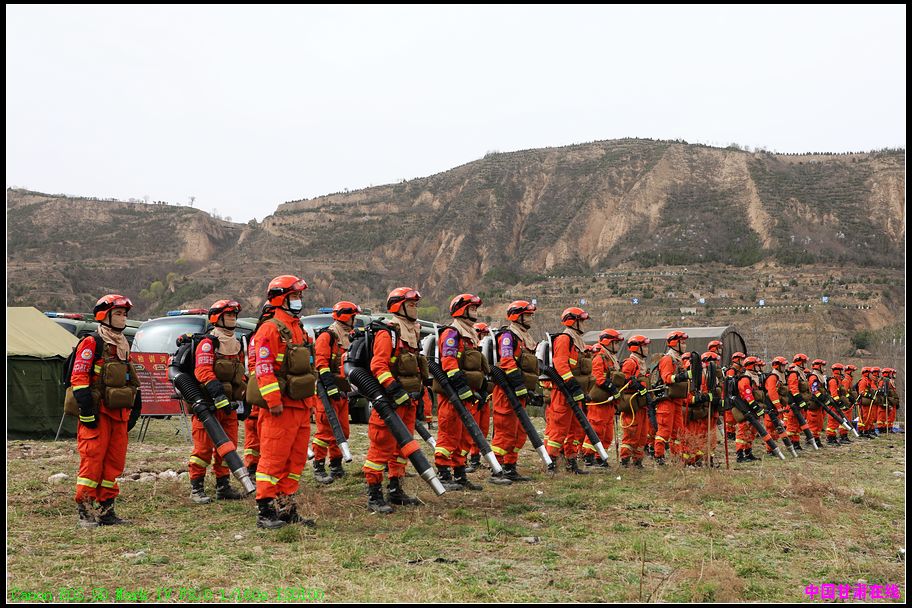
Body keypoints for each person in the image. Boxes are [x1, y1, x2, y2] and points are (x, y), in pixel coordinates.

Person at [251, 275, 316, 529]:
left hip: (300, 405)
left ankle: (287, 508)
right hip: (281, 408)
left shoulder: (298, 328)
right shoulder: (270, 329)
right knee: (273, 459)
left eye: (299, 296)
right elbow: (263, 367)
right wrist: (273, 400)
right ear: (281, 299)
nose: (299, 300)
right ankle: (265, 510)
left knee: (295, 460)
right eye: (295, 296)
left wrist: (310, 402)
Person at [72, 294, 141, 527]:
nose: (123, 318)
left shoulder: (122, 344)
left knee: (114, 464)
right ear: (105, 316)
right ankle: (85, 510)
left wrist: (134, 407)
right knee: (92, 461)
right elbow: (79, 377)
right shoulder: (92, 343)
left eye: (124, 314)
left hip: (118, 414)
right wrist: (86, 410)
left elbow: (129, 377)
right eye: (118, 313)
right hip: (98, 413)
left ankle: (106, 511)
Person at [363, 288, 429, 513]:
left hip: (409, 402)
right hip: (390, 403)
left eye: (416, 305)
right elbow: (378, 366)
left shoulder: (412, 333)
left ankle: (396, 489)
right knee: (381, 447)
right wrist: (394, 389)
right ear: (398, 306)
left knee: (403, 448)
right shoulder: (388, 333)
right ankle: (374, 494)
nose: (415, 308)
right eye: (411, 304)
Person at [188, 299, 245, 503]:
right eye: (229, 315)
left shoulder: (237, 344)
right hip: (207, 406)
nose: (233, 318)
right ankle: (196, 488)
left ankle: (223, 486)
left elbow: (240, 374)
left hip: (228, 406)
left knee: (228, 446)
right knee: (203, 450)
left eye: (234, 315)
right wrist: (217, 394)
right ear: (217, 318)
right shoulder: (208, 343)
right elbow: (202, 371)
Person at [433, 294, 488, 491]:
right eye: (471, 308)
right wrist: (461, 386)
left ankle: (459, 473)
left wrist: (481, 388)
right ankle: (443, 472)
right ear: (460, 310)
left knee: (465, 436)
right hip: (452, 395)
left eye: (475, 308)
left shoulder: (470, 336)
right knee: (449, 433)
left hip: (467, 395)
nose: (475, 311)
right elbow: (448, 362)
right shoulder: (452, 333)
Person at [312, 301, 361, 483]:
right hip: (326, 391)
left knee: (342, 431)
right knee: (325, 431)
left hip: (342, 390)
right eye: (354, 317)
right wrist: (330, 386)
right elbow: (321, 364)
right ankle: (318, 467)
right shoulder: (328, 336)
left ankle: (336, 466)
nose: (355, 320)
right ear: (346, 317)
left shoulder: (349, 336)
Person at [543, 307, 591, 474]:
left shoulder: (577, 341)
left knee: (575, 429)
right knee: (559, 429)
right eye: (581, 320)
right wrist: (572, 385)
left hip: (573, 391)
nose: (584, 324)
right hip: (563, 391)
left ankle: (571, 462)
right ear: (573, 321)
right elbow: (561, 364)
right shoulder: (565, 339)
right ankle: (551, 463)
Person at [584, 329, 624, 468]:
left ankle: (600, 457)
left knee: (607, 434)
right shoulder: (599, 358)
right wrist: (612, 388)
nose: (618, 346)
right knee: (596, 429)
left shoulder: (611, 358)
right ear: (608, 343)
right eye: (616, 343)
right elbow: (598, 377)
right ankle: (588, 457)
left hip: (608, 402)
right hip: (599, 402)